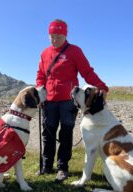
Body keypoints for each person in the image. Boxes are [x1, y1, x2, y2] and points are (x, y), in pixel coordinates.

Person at [36, 19, 109, 182]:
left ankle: (62, 168)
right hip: (48, 100)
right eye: (52, 36)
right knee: (47, 133)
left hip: (69, 101)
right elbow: (41, 75)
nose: (55, 40)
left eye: (58, 37)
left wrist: (102, 86)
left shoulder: (74, 51)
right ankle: (46, 165)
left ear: (65, 35)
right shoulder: (44, 53)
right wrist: (40, 93)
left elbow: (87, 73)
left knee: (66, 133)